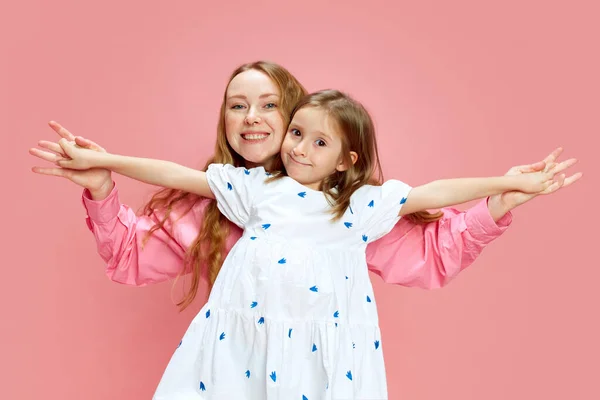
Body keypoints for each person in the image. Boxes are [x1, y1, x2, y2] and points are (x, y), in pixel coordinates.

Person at [53, 89, 567, 399]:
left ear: (347, 159)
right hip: (242, 346)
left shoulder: (359, 208)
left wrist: (504, 186)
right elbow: (181, 176)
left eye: (320, 142)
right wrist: (111, 164)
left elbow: (434, 194)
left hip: (321, 355)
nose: (300, 147)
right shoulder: (257, 191)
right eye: (297, 133)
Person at [29, 61, 581, 313]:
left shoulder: (340, 207)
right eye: (237, 105)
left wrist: (498, 202)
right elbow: (128, 257)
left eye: (271, 105)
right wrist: (104, 185)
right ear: (223, 119)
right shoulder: (210, 202)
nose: (252, 118)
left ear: (302, 120)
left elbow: (431, 254)